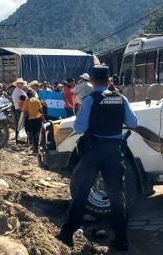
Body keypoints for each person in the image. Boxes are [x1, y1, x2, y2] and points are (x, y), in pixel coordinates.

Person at [56, 66, 139, 250]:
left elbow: (79, 128)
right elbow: (133, 123)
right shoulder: (121, 98)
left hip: (94, 152)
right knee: (117, 196)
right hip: (114, 152)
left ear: (91, 81)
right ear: (109, 80)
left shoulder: (89, 100)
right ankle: (121, 239)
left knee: (82, 193)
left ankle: (67, 234)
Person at [21, 89, 46, 153]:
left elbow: (25, 113)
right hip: (38, 119)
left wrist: (23, 121)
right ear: (33, 94)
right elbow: (41, 110)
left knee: (33, 134)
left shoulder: (26, 101)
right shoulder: (37, 100)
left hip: (31, 120)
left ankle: (35, 148)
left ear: (27, 95)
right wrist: (43, 119)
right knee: (37, 133)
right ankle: (36, 147)